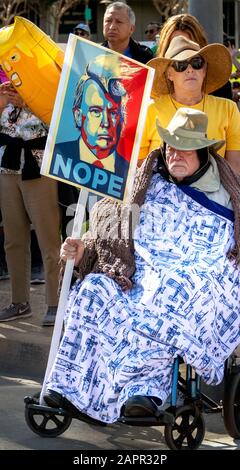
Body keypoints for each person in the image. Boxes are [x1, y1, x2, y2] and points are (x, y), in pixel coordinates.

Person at [43, 108, 240, 423]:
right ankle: (71, 388)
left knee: (165, 298)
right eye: (171, 145)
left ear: (203, 152)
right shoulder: (147, 182)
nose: (176, 153)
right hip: (139, 275)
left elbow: (227, 255)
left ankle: (144, 390)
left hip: (193, 283)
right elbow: (115, 229)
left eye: (186, 147)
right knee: (94, 289)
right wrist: (83, 252)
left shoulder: (226, 195)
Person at [0, 82, 61, 326]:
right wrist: (3, 102)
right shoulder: (4, 78)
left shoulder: (44, 73)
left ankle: (55, 303)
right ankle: (19, 302)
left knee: (48, 240)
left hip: (39, 165)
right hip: (7, 166)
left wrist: (29, 102)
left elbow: (60, 115)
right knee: (13, 239)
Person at [139, 35, 240, 174]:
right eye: (181, 65)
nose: (190, 69)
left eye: (197, 62)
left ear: (204, 70)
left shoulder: (229, 109)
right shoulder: (150, 109)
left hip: (214, 192)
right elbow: (140, 167)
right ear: (169, 74)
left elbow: (235, 168)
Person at [52, 54, 129, 180]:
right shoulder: (57, 156)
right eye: (96, 111)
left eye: (113, 112)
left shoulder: (129, 171)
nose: (106, 122)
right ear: (77, 115)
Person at [157, 13, 232, 100]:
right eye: (175, 43)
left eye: (188, 43)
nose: (182, 48)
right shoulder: (154, 103)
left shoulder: (222, 91)